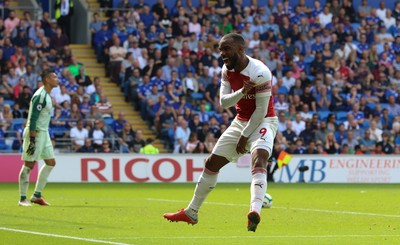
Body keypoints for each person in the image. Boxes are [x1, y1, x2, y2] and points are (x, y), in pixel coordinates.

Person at [163, 33, 278, 232]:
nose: (222, 53)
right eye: (220, 50)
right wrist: (242, 91)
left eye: (226, 49)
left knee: (259, 158)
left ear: (241, 50)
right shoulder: (226, 70)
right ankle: (191, 212)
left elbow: (260, 111)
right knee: (211, 164)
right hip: (240, 121)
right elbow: (224, 102)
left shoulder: (261, 72)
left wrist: (244, 137)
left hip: (264, 121)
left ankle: (255, 211)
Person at [18, 69, 59, 206]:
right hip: (35, 133)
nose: (57, 79)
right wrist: (33, 139)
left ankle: (36, 195)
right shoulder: (40, 96)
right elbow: (33, 118)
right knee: (29, 164)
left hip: (44, 133)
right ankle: (22, 198)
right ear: (47, 79)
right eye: (54, 77)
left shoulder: (47, 95)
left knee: (51, 162)